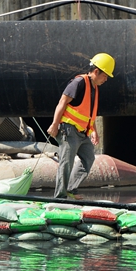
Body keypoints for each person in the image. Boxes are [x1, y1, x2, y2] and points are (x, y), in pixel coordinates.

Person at [46, 53, 114, 199]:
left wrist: (94, 131)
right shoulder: (79, 83)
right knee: (66, 163)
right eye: (105, 75)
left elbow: (88, 113)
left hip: (82, 133)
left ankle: (71, 188)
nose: (106, 79)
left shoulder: (94, 88)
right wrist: (54, 124)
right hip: (68, 130)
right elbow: (62, 103)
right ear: (96, 72)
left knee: (89, 158)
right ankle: (60, 197)